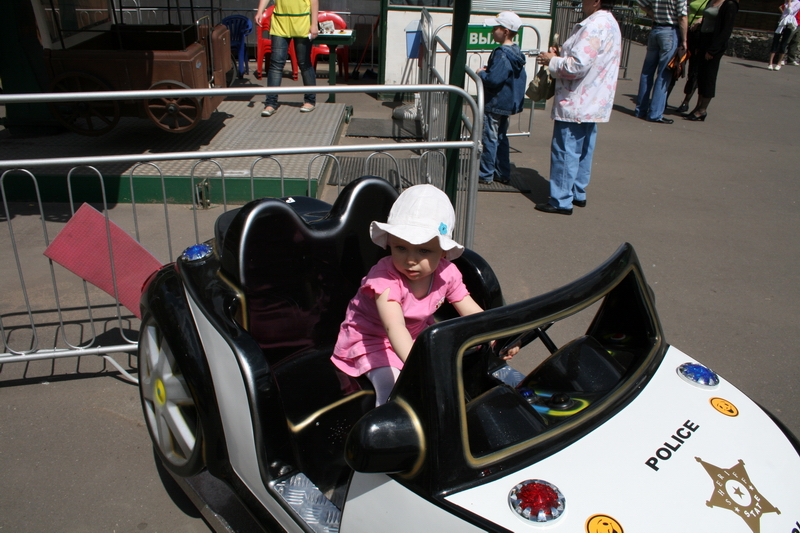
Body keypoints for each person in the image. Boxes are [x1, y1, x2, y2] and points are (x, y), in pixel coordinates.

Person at [330, 185, 518, 406]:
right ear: (390, 243)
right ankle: (390, 421)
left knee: (460, 369)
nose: (410, 260)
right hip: (372, 340)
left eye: (423, 251)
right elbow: (394, 326)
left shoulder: (447, 273)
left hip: (416, 336)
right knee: (393, 387)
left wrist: (499, 336)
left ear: (443, 252)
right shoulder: (385, 279)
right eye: (401, 248)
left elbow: (469, 309)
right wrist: (420, 365)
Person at [534, 0, 622, 215]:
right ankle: (576, 192)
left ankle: (561, 200)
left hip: (577, 100)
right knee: (583, 150)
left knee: (566, 151)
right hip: (594, 98)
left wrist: (552, 61)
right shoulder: (609, 22)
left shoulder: (593, 25)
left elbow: (577, 66)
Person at [477, 12, 528, 185]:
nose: (492, 31)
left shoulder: (501, 53)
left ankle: (485, 174)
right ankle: (502, 172)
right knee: (500, 137)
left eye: (495, 28)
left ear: (505, 31)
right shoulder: (516, 52)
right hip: (507, 102)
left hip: (495, 102)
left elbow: (494, 80)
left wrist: (482, 73)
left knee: (489, 138)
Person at [255, 0, 318, 116]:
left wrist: (314, 24)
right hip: (280, 23)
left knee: (304, 63)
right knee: (276, 64)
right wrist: (260, 11)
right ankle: (271, 103)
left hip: (302, 22)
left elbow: (314, 1)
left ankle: (310, 100)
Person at [682, 0, 739, 120]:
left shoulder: (729, 4)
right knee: (701, 76)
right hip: (703, 40)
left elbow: (726, 30)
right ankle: (697, 107)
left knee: (709, 76)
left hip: (714, 44)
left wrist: (713, 50)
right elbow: (705, 19)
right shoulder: (711, 1)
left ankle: (702, 110)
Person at [634, 0, 688, 124]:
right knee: (664, 74)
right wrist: (685, 40)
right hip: (670, 31)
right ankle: (655, 113)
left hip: (656, 29)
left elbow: (640, 2)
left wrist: (653, 13)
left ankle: (640, 110)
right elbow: (682, 16)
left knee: (647, 72)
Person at [671, 0, 711, 113]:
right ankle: (663, 98)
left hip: (699, 35)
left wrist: (702, 19)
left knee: (694, 71)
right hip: (687, 32)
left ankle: (686, 101)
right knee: (676, 65)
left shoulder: (712, 1)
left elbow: (715, 15)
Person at [767, 0, 800, 70]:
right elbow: (782, 8)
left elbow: (791, 12)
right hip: (782, 23)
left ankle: (779, 63)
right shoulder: (787, 2)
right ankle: (770, 63)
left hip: (790, 24)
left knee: (784, 43)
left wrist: (789, 3)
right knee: (775, 41)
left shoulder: (797, 2)